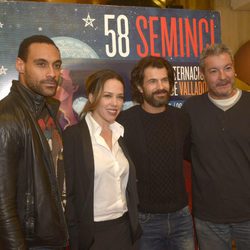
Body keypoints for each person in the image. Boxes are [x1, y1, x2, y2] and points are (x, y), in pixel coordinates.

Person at [117, 56, 195, 250]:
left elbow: (191, 156)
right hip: (145, 220)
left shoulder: (182, 118)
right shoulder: (124, 122)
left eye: (164, 80)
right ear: (140, 87)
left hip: (181, 217)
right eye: (152, 81)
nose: (161, 86)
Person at [0, 35, 68, 249]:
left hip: (55, 236)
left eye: (56, 66)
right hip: (30, 243)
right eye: (41, 64)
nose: (52, 74)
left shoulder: (48, 109)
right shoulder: (7, 119)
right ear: (20, 65)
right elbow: (2, 203)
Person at [62, 69, 142, 250]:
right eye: (107, 96)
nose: (115, 103)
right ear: (91, 97)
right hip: (92, 234)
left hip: (125, 229)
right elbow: (70, 193)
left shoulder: (120, 133)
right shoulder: (73, 136)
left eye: (120, 97)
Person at [182, 43, 250, 250]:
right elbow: (187, 155)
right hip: (209, 219)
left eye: (227, 68)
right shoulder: (190, 110)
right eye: (214, 71)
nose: (222, 76)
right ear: (203, 75)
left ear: (234, 69)